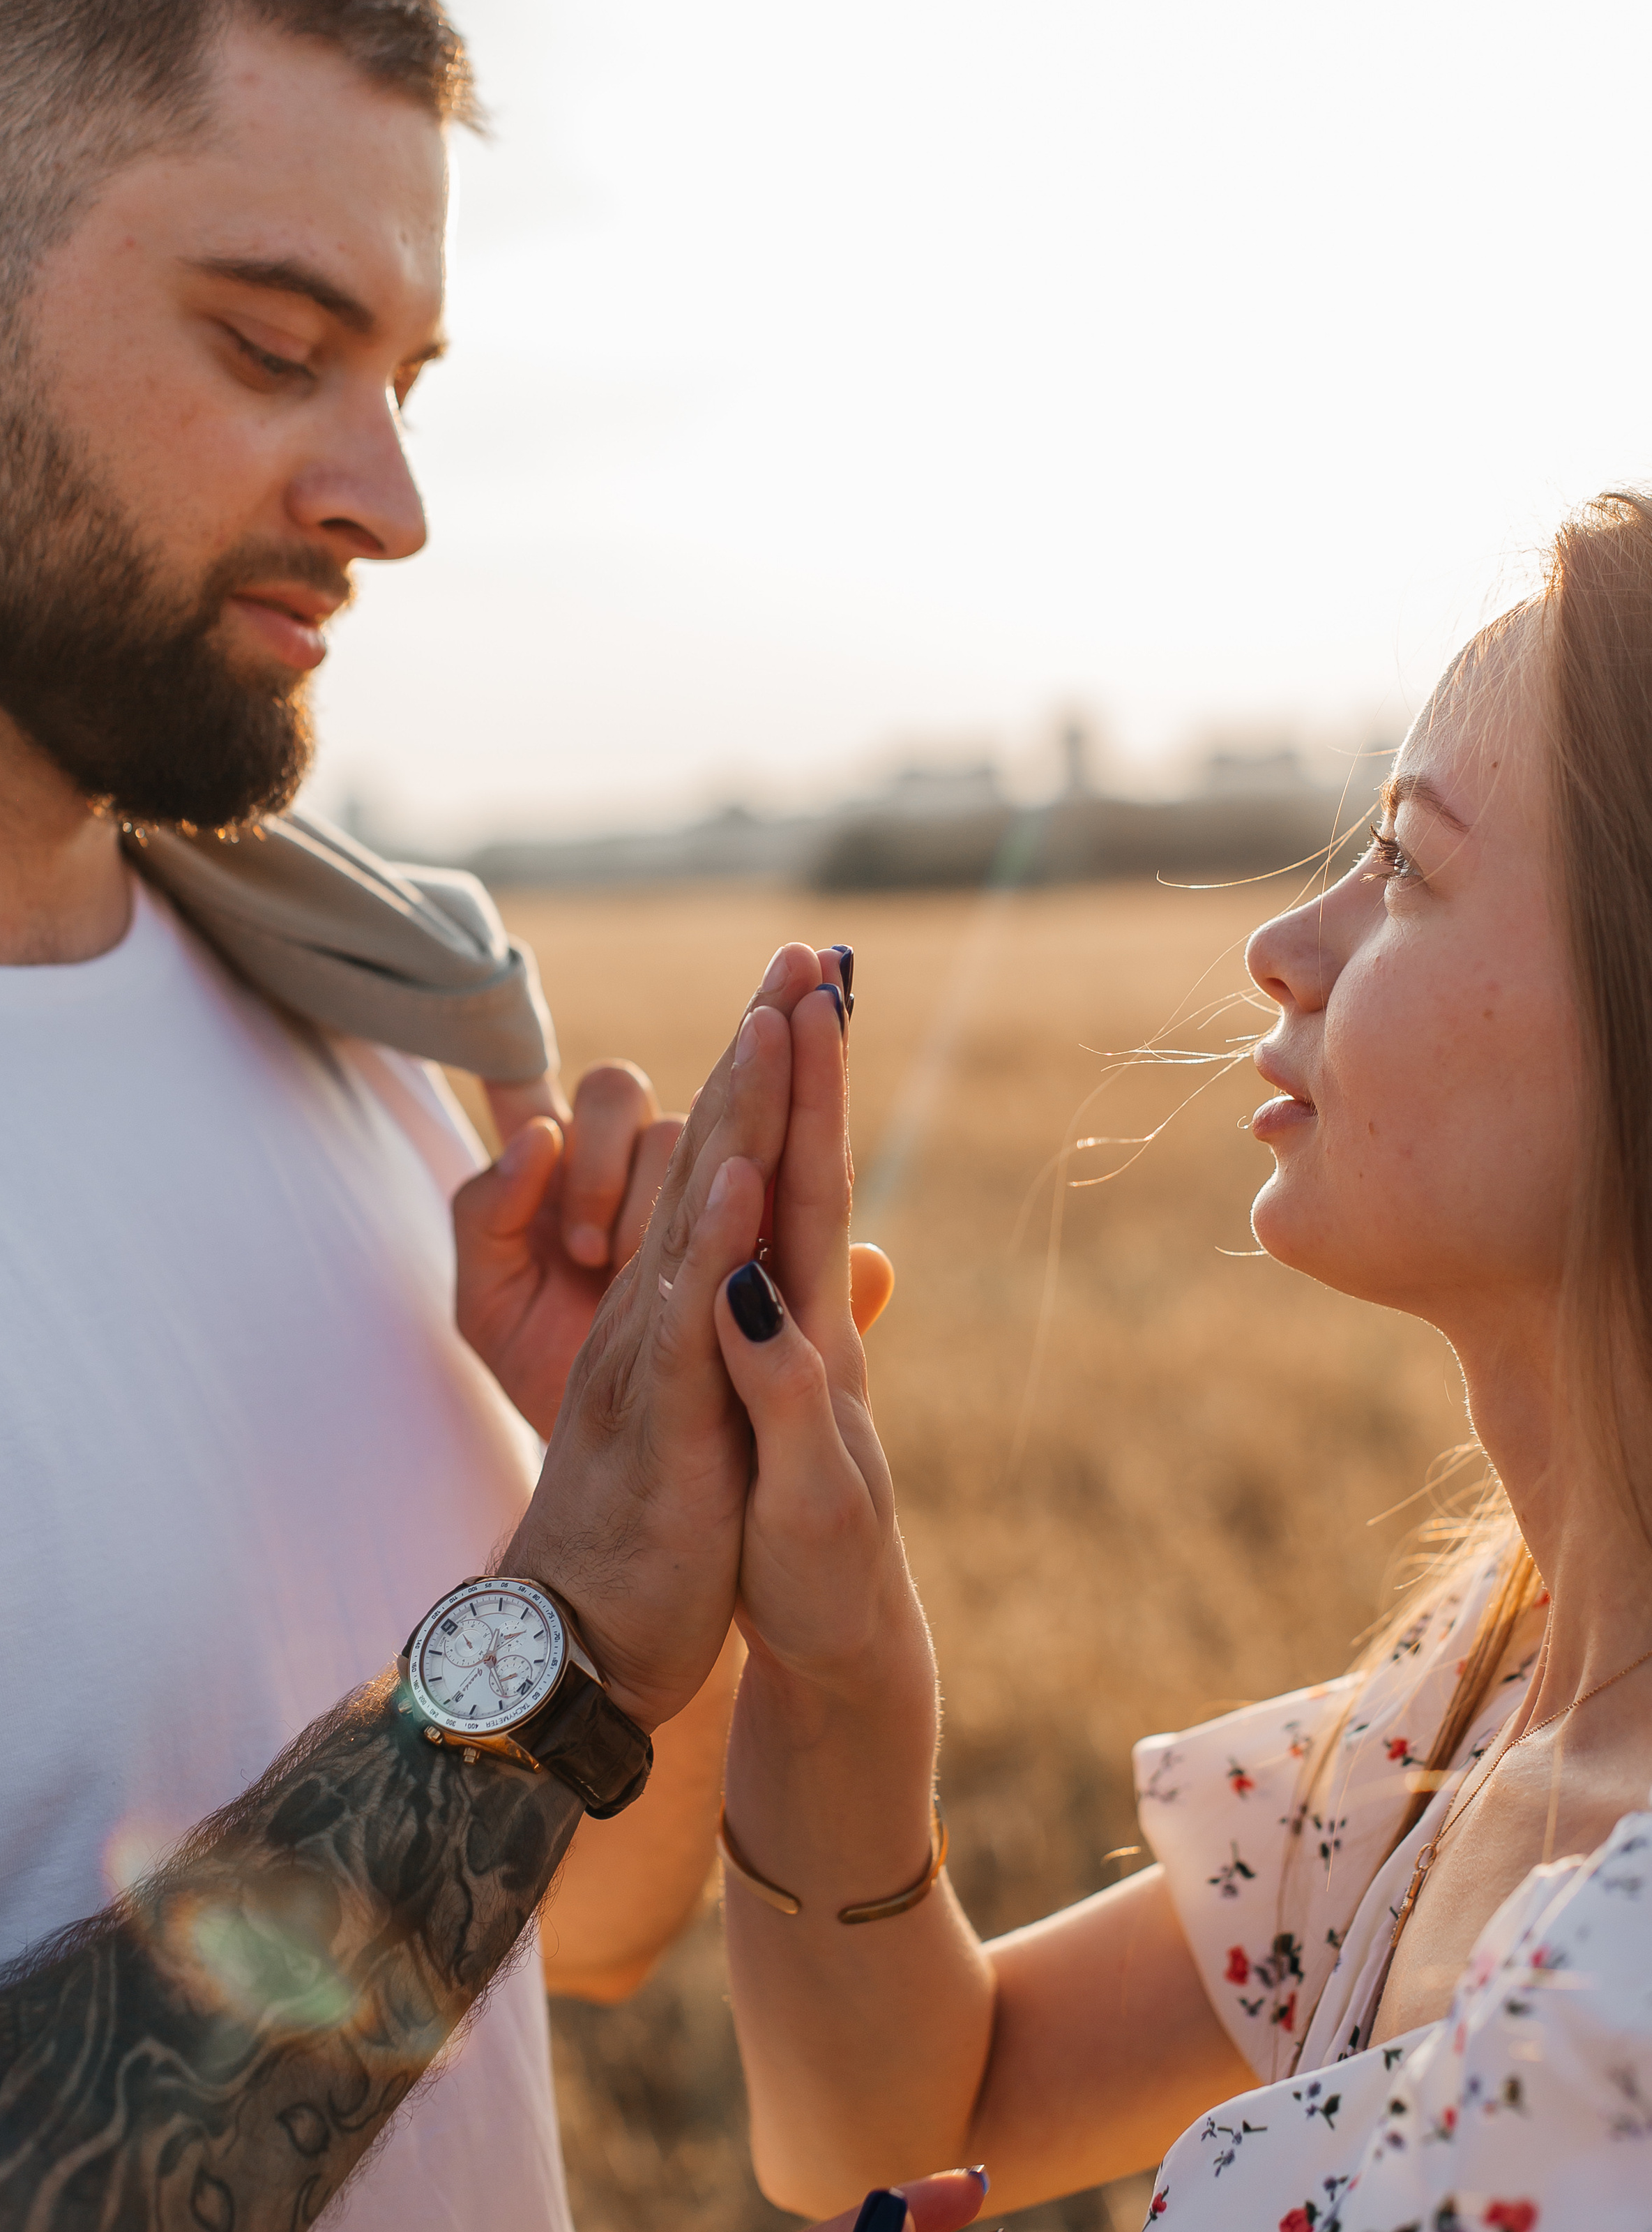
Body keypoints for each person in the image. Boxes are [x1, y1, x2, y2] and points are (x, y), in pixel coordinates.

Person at [0, 2, 887, 2224]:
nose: (395, 507)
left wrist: (661, 1527)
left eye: (408, 386)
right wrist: (555, 1644)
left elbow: (584, 1932)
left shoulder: (355, 1007)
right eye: (271, 345)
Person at [705, 490, 1652, 2228]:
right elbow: (917, 2112)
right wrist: (833, 1658)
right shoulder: (1478, 1697)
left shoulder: (1624, 1977)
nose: (1281, 947)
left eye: (1403, 866)